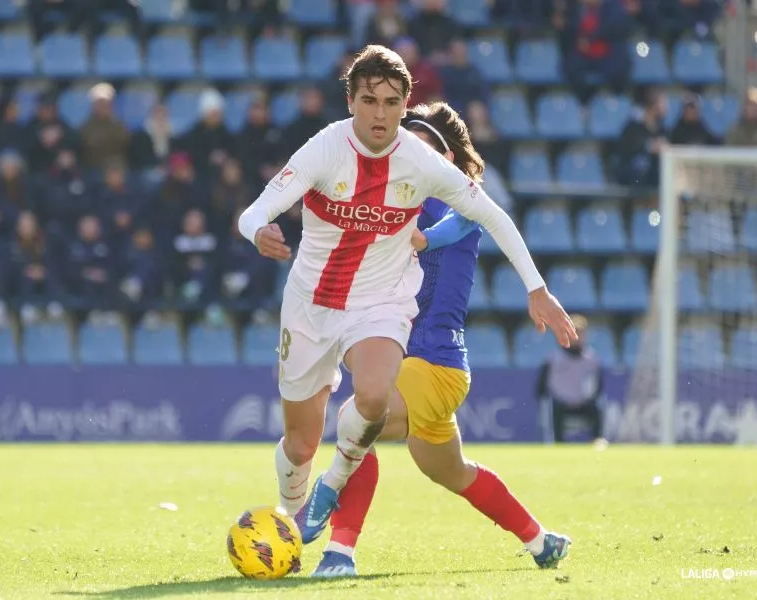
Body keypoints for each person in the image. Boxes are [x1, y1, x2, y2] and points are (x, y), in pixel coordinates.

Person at [236, 47, 577, 561]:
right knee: (324, 447)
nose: (380, 114)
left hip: (400, 329)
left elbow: (478, 216)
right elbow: (259, 206)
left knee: (365, 408)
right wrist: (259, 227)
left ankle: (336, 544)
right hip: (311, 307)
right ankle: (539, 540)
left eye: (392, 104)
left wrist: (537, 287)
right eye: (369, 101)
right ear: (350, 101)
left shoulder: (432, 185)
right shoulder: (327, 150)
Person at [303, 102, 572, 578]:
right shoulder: (389, 200)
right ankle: (540, 540)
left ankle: (338, 553)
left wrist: (425, 240)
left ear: (446, 157)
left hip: (437, 364)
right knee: (453, 472)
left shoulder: (457, 198)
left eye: (423, 145)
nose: (409, 152)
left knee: (356, 419)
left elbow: (459, 224)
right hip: (409, 360)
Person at [536, 314, 605, 445]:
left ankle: (597, 442)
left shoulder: (592, 360)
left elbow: (598, 387)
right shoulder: (553, 360)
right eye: (573, 332)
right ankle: (558, 444)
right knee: (553, 409)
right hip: (560, 404)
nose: (576, 337)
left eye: (580, 332)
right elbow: (541, 388)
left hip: (584, 403)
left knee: (597, 408)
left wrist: (586, 398)